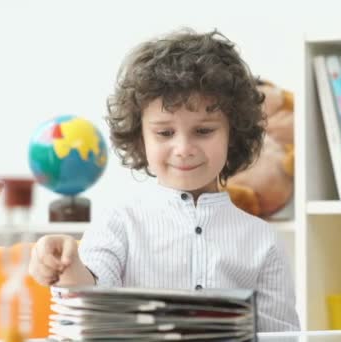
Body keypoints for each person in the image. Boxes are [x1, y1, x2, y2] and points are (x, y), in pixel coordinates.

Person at [28, 28, 300, 332]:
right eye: (165, 133)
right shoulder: (119, 222)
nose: (183, 149)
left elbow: (281, 335)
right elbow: (92, 296)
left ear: (232, 135)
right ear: (140, 137)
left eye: (203, 131)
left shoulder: (264, 242)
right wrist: (67, 266)